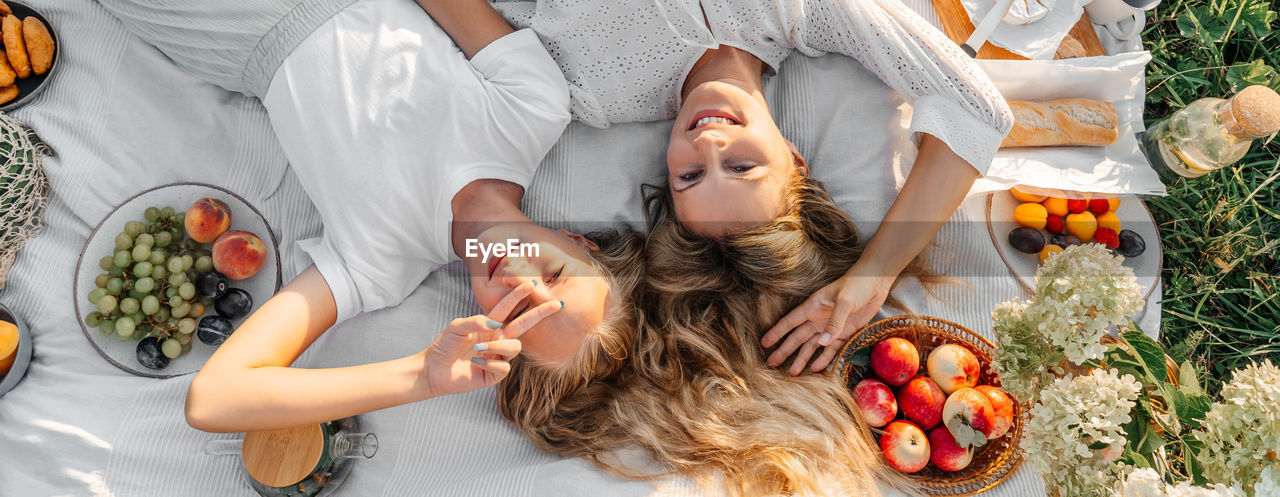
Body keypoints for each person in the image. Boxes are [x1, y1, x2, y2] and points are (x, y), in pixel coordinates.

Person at [96, 0, 645, 432]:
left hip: (222, 23)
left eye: (517, 309)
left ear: (491, 330)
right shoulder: (533, 109)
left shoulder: (378, 265)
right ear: (580, 242)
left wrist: (422, 376)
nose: (516, 277)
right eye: (553, 276)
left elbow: (214, 400)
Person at [482, 0, 1014, 374]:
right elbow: (977, 110)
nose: (710, 144)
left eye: (689, 176)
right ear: (795, 160)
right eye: (741, 167)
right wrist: (875, 273)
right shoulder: (804, 11)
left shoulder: (587, 90)